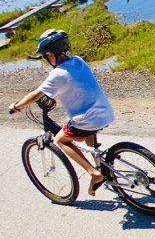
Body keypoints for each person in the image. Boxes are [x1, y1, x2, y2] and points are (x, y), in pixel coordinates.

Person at [8, 29, 116, 195]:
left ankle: (94, 173)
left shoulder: (57, 74)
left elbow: (36, 95)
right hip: (106, 111)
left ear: (51, 54)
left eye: (45, 56)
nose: (46, 59)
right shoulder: (78, 61)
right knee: (87, 132)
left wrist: (16, 106)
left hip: (88, 118)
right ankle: (101, 166)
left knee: (61, 140)